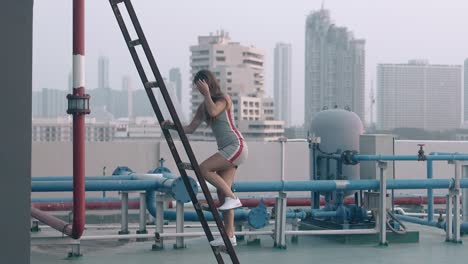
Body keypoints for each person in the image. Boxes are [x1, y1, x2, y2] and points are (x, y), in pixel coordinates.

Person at [162, 69, 248, 247]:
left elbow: (215, 111)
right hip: (227, 148)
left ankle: (233, 197)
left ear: (207, 83)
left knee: (203, 169)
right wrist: (172, 126)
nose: (199, 90)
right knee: (222, 194)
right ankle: (230, 235)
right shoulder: (203, 106)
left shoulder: (223, 98)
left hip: (236, 146)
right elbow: (190, 128)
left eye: (201, 86)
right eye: (197, 88)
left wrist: (207, 93)